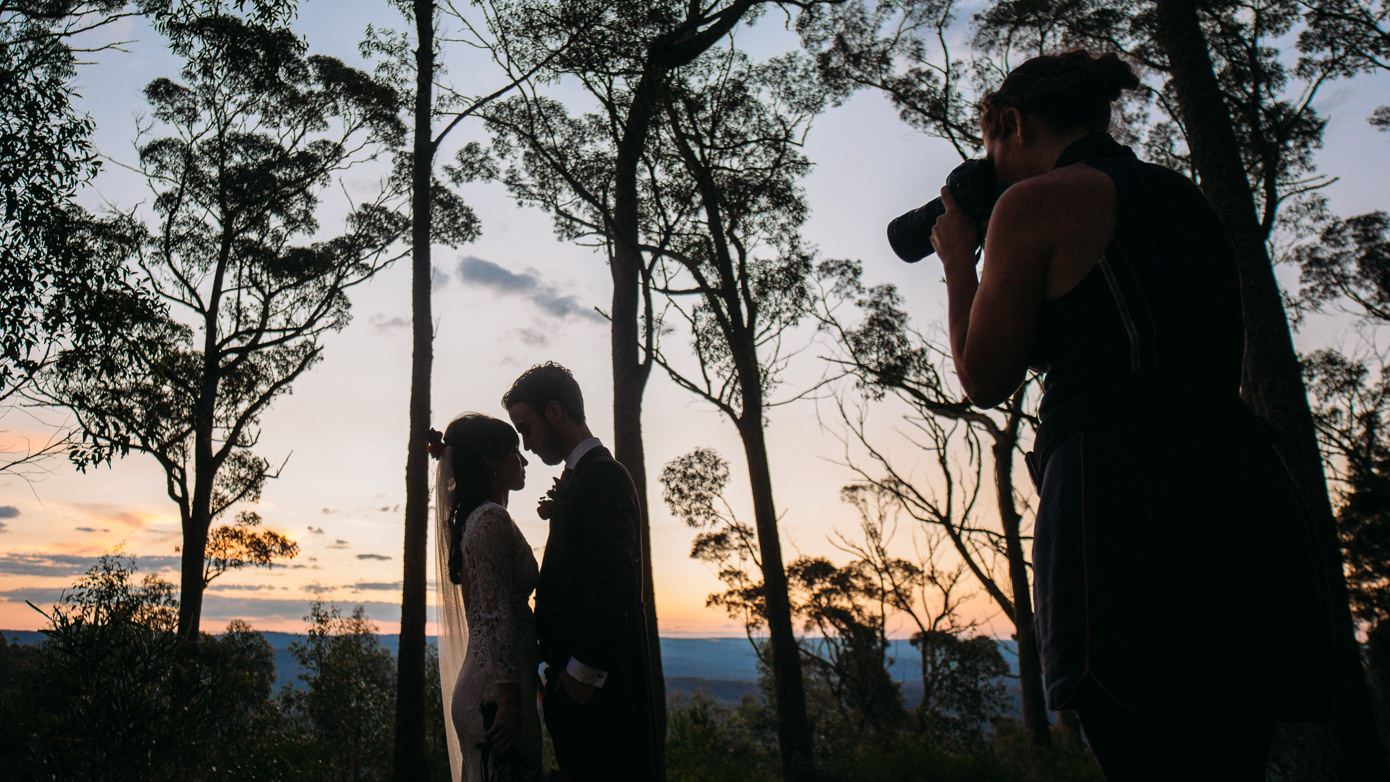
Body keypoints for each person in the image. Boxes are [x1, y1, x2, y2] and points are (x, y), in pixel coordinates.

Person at [929, 50, 1335, 779]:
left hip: (1122, 504)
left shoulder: (1036, 202)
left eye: (993, 147)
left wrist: (961, 259)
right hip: (1249, 496)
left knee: (1144, 746)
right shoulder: (1185, 198)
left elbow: (984, 376)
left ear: (1014, 123)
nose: (996, 170)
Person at [502, 362, 656, 781]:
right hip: (573, 688)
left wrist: (579, 677)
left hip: (603, 698)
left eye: (526, 428)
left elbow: (615, 583)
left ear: (555, 412)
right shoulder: (581, 477)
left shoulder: (603, 475)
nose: (527, 444)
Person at [430, 413, 543, 782]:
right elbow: (494, 617)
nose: (523, 460)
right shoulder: (490, 519)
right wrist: (509, 702)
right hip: (494, 699)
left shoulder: (478, 520)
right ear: (490, 460)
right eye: (514, 451)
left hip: (495, 684)